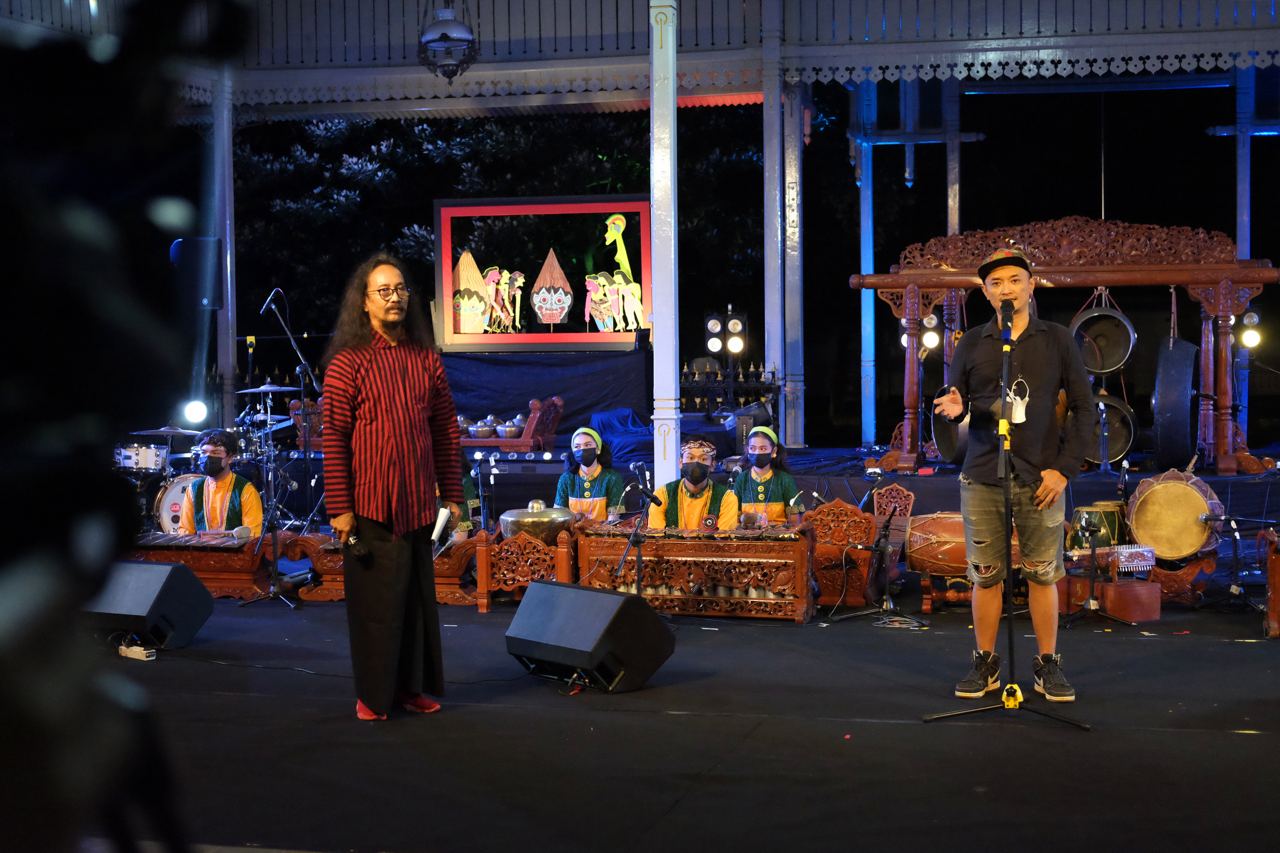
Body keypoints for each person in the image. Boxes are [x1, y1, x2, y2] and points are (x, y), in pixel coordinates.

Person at [933, 248, 1093, 703]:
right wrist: (953, 409)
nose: (1007, 288)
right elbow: (954, 401)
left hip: (1042, 475)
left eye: (1015, 280)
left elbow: (1084, 409)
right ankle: (985, 660)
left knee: (1043, 572)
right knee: (985, 574)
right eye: (997, 283)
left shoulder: (1058, 339)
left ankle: (1048, 664)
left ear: (1030, 285)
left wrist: (1064, 470)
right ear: (986, 292)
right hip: (983, 471)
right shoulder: (972, 342)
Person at [322, 252, 464, 722]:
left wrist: (454, 495)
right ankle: (372, 696)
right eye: (383, 291)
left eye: (400, 289)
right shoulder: (348, 365)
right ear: (363, 302)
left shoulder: (427, 361)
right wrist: (340, 510)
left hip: (419, 507)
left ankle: (410, 689)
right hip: (368, 508)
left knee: (416, 607)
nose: (394, 298)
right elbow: (335, 440)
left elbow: (445, 431)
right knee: (375, 609)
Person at [178, 429, 264, 538]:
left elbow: (253, 536)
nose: (208, 457)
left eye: (216, 453)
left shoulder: (246, 490)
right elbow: (185, 532)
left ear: (230, 458)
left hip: (235, 554)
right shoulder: (193, 489)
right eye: (204, 452)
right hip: (201, 552)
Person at [646, 438, 740, 531]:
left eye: (703, 459)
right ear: (681, 463)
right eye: (690, 457)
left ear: (712, 465)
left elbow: (724, 540)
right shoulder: (662, 495)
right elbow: (656, 538)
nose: (696, 463)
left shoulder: (727, 498)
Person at [732, 426, 801, 527]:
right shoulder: (741, 479)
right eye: (753, 448)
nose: (757, 453)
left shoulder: (784, 479)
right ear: (748, 450)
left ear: (773, 452)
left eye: (763, 448)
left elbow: (795, 522)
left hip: (779, 538)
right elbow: (734, 518)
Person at [554, 427, 624, 522]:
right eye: (577, 447)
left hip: (602, 534)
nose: (582, 450)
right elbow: (559, 515)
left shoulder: (612, 477)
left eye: (587, 445)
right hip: (572, 534)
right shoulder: (566, 479)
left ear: (598, 449)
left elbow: (613, 519)